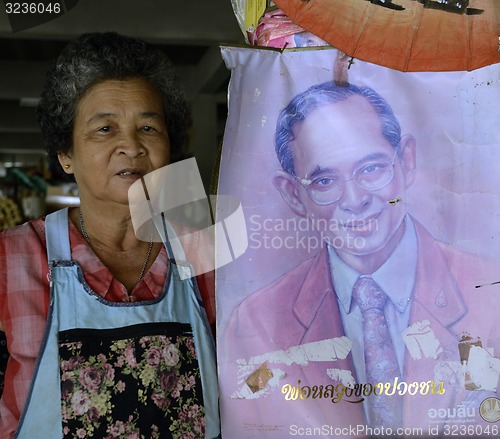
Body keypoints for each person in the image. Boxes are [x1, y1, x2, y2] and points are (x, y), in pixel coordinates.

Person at [220, 81, 500, 437]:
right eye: (324, 181)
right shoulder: (256, 323)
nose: (354, 199)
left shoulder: (491, 294)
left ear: (406, 162)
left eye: (370, 169)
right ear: (293, 194)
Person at [0, 32, 219, 438]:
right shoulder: (13, 256)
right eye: (104, 129)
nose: (131, 146)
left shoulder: (205, 254)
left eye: (149, 127)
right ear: (65, 153)